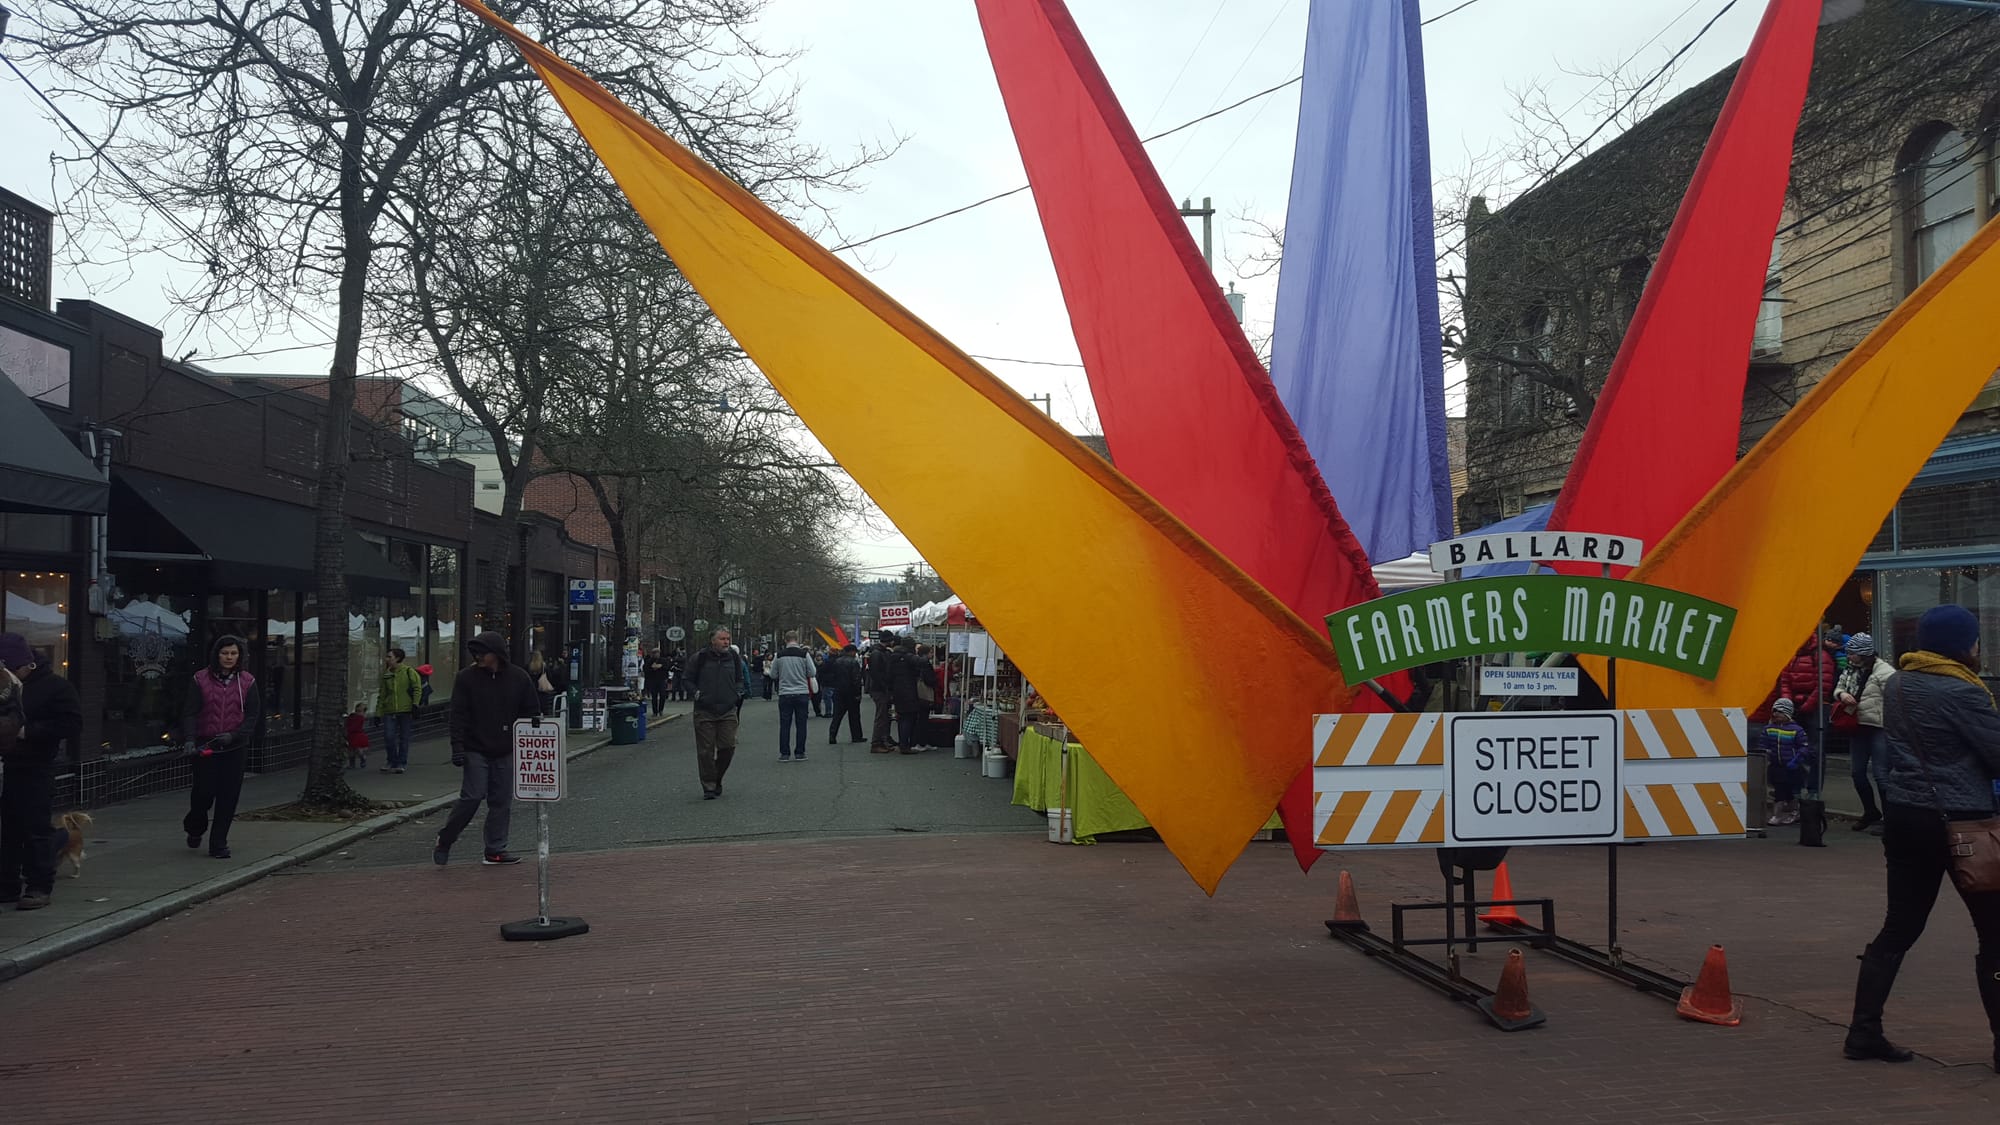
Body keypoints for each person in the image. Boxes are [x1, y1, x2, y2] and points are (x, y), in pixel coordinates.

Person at [1843, 605, 2000, 1071]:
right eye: (1974, 641)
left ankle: (1863, 1030)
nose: (1977, 648)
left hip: (1907, 815)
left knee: (1900, 926)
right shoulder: (1963, 693)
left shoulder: (1898, 684)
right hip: (1963, 821)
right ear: (1960, 645)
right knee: (1994, 934)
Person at [434, 631, 540, 866]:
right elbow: (458, 715)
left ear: (497, 654)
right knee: (472, 796)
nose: (478, 657)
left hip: (505, 747)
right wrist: (458, 747)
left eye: (483, 653)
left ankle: (495, 848)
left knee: (501, 800)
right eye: (476, 653)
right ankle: (446, 838)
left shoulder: (519, 678)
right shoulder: (466, 678)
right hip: (475, 747)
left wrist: (527, 736)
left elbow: (531, 711)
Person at [0, 633, 81, 911]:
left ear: (26, 664)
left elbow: (71, 724)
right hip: (5, 767)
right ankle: (7, 885)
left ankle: (38, 886)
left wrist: (27, 732)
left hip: (35, 766)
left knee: (35, 829)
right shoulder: (6, 686)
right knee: (7, 830)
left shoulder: (56, 688)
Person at [179, 635, 263, 860]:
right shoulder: (200, 679)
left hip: (234, 749)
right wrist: (189, 739)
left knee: (228, 797)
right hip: (205, 746)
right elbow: (190, 711)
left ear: (239, 656)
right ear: (217, 654)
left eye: (233, 653)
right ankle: (195, 828)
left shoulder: (248, 682)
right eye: (225, 653)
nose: (229, 657)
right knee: (203, 795)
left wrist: (235, 735)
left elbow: (252, 716)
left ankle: (219, 844)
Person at [1836, 632, 1895, 832]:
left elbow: (1894, 698)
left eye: (1852, 653)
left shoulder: (1884, 672)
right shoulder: (1850, 669)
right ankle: (1870, 811)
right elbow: (1839, 688)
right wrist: (1843, 694)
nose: (1849, 656)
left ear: (1863, 653)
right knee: (1857, 772)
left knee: (1881, 774)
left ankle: (1891, 819)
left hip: (1879, 726)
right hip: (1858, 725)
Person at [686, 627, 751, 798]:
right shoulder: (700, 658)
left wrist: (737, 692)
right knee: (705, 751)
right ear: (713, 641)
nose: (726, 642)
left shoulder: (733, 658)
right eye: (722, 639)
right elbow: (687, 679)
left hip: (728, 709)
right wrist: (696, 693)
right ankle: (709, 786)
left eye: (728, 639)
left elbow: (739, 678)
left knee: (728, 746)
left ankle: (717, 777)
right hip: (705, 710)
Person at [1759, 698, 1811, 826]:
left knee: (1790, 792)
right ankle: (1783, 814)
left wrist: (1796, 760)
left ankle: (1788, 813)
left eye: (1780, 712)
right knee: (1780, 791)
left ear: (1787, 714)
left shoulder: (1796, 730)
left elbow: (1804, 748)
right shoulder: (1768, 729)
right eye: (1775, 711)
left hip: (1792, 767)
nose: (1776, 714)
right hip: (1776, 766)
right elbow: (1763, 745)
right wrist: (1765, 755)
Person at [772, 631, 819, 762]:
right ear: (797, 639)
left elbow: (773, 674)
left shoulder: (779, 655)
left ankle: (784, 754)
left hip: (785, 693)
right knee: (801, 724)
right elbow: (812, 672)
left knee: (785, 724)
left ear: (785, 640)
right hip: (801, 692)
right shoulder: (804, 654)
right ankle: (800, 752)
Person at [375, 646, 422, 774]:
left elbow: (417, 688)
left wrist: (415, 704)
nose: (387, 659)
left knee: (404, 738)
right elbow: (382, 694)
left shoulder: (408, 671)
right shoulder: (387, 675)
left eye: (390, 657)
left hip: (405, 710)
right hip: (389, 710)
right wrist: (378, 713)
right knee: (389, 737)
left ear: (398, 658)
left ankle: (401, 762)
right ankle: (391, 760)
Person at [895, 642, 935, 755]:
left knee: (903, 718)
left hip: (898, 690)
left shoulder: (894, 658)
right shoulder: (908, 658)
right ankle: (906, 744)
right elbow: (925, 671)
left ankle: (904, 743)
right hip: (909, 691)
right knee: (908, 718)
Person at [825, 643, 864, 745]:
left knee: (837, 715)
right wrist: (858, 693)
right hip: (851, 692)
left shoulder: (837, 662)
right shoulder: (854, 663)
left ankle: (832, 736)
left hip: (839, 691)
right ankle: (856, 736)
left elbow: (833, 676)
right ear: (851, 652)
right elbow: (856, 679)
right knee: (854, 716)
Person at [867, 635, 900, 753]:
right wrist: (885, 686)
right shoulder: (878, 653)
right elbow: (876, 673)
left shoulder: (879, 652)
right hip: (880, 689)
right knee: (881, 716)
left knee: (884, 716)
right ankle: (876, 743)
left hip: (880, 688)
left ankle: (882, 741)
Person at [644, 648, 671, 717]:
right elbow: (646, 670)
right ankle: (655, 711)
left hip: (662, 679)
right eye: (654, 653)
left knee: (662, 695)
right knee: (654, 696)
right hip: (653, 680)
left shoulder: (663, 660)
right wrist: (653, 668)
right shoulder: (649, 661)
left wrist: (660, 666)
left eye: (657, 653)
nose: (656, 654)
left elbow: (667, 667)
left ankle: (661, 710)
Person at [345, 702, 370, 770]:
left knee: (359, 750)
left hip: (358, 735)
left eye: (359, 711)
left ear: (363, 712)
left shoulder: (361, 718)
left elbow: (356, 725)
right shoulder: (353, 716)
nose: (357, 713)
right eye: (356, 711)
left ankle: (362, 758)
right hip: (351, 735)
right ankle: (352, 764)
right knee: (351, 751)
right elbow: (348, 723)